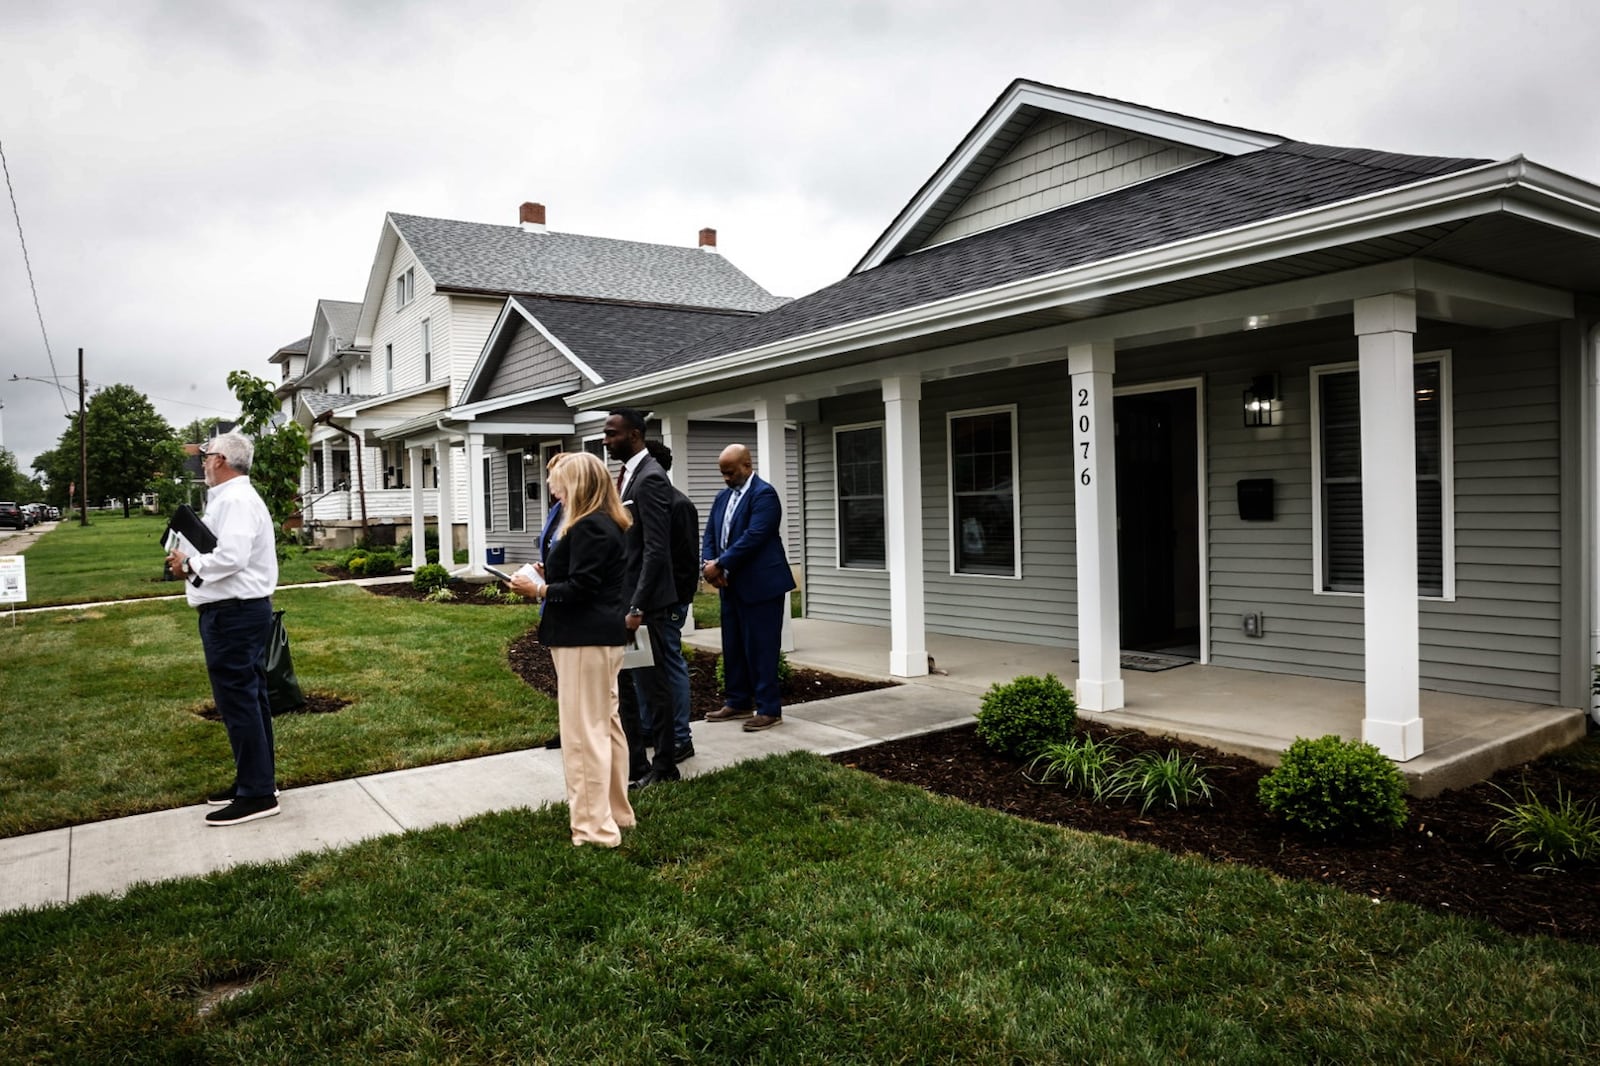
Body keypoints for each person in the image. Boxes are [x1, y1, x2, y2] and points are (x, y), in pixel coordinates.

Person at [511, 451, 635, 847]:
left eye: (557, 478)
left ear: (577, 483)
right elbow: (586, 575)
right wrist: (549, 572)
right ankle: (616, 813)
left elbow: (582, 589)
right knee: (606, 725)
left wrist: (540, 589)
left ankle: (593, 829)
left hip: (584, 637)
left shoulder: (590, 526)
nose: (550, 485)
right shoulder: (595, 523)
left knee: (584, 734)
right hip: (596, 637)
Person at [164, 431, 282, 827]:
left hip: (233, 614)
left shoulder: (235, 500)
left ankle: (258, 794)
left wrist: (189, 566)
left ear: (220, 460)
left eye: (205, 455)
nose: (201, 462)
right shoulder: (233, 499)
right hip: (239, 611)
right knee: (251, 698)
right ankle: (256, 780)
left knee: (239, 701)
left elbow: (231, 556)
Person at [602, 407, 683, 790]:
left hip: (646, 607)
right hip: (626, 601)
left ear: (634, 435)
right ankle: (636, 763)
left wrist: (637, 606)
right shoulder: (628, 477)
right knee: (629, 686)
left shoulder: (650, 478)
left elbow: (655, 550)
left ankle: (666, 766)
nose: (606, 440)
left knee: (654, 688)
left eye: (612, 434)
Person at [702, 443, 796, 732]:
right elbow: (710, 533)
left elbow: (756, 535)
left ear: (747, 464)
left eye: (730, 472)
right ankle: (738, 701)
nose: (726, 478)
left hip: (762, 585)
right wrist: (708, 565)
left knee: (762, 648)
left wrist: (721, 563)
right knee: (734, 646)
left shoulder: (764, 494)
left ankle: (769, 709)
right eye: (722, 473)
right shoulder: (722, 496)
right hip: (730, 584)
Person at [636, 440, 699, 764]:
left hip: (670, 601)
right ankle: (650, 728)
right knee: (644, 665)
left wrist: (679, 602)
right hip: (647, 600)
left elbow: (687, 560)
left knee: (669, 663)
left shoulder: (679, 505)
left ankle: (680, 737)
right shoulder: (646, 502)